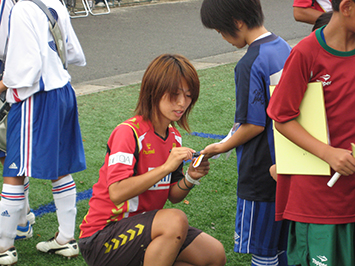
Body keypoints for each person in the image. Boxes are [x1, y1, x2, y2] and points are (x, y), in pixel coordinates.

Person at [78, 54, 226, 266]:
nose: (182, 102)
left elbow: (173, 195)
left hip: (146, 228)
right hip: (103, 236)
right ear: (153, 91)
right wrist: (166, 166)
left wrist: (191, 178)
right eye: (175, 94)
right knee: (175, 221)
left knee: (213, 254)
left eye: (188, 95)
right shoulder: (127, 132)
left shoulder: (174, 136)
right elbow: (117, 192)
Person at [199, 0, 292, 265]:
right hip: (285, 164)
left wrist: (219, 147)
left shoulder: (249, 63)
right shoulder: (283, 46)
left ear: (237, 22)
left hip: (260, 173)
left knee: (262, 250)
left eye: (220, 30)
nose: (222, 37)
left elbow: (253, 124)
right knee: (282, 245)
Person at [267, 0, 355, 265]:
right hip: (319, 201)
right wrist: (328, 153)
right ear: (348, 7)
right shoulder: (306, 52)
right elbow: (281, 117)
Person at [0, 0, 86, 264]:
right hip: (63, 91)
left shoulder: (21, 9)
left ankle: (4, 245)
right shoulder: (55, 3)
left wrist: (4, 85)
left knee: (15, 168)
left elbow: (25, 69)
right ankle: (65, 238)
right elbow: (73, 53)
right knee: (61, 167)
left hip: (35, 98)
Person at [0, 0, 35, 241]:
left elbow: (13, 56)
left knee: (10, 156)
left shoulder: (9, 5)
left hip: (12, 88)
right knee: (10, 155)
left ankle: (16, 228)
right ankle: (23, 214)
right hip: (24, 88)